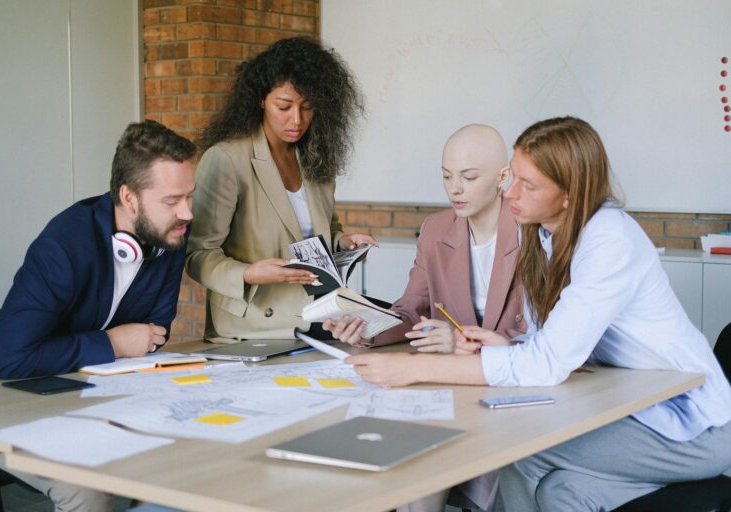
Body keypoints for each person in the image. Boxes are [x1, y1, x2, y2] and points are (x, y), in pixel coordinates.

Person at [351, 116, 731, 511]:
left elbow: (547, 363)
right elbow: (553, 341)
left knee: (520, 450)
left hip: (692, 425)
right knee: (560, 493)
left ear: (568, 194)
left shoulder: (609, 239)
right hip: (632, 405)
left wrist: (414, 370)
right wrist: (508, 343)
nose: (510, 193)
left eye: (527, 185)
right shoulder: (541, 235)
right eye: (512, 178)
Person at [0, 119, 196, 511]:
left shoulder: (170, 234)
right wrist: (113, 343)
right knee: (85, 490)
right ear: (129, 197)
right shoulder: (65, 244)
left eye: (190, 195)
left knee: (192, 450)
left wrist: (124, 346)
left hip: (83, 394)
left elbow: (153, 334)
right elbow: (11, 358)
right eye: (172, 201)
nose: (187, 213)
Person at [325, 124, 525, 512]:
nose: (455, 189)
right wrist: (365, 328)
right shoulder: (437, 230)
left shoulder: (532, 231)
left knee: (427, 465)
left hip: (511, 387)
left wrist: (461, 341)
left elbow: (543, 336)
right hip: (445, 385)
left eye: (469, 177)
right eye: (447, 176)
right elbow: (408, 311)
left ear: (503, 177)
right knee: (402, 461)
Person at [186, 37, 375, 343]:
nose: (297, 120)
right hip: (257, 324)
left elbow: (323, 229)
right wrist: (249, 274)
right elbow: (197, 255)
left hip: (320, 313)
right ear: (261, 99)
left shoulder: (316, 157)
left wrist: (344, 243)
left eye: (308, 107)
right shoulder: (227, 160)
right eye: (284, 106)